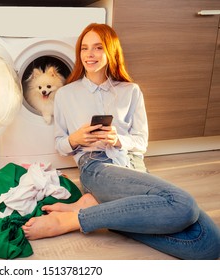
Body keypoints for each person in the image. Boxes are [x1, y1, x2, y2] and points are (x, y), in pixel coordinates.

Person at [21, 23, 220, 260]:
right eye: (84, 48)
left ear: (111, 51)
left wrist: (118, 140)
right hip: (97, 166)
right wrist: (74, 139)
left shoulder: (131, 91)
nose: (90, 54)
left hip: (133, 165)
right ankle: (73, 220)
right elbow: (60, 144)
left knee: (209, 244)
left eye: (97, 47)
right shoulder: (66, 94)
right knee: (183, 204)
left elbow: (141, 142)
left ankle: (94, 208)